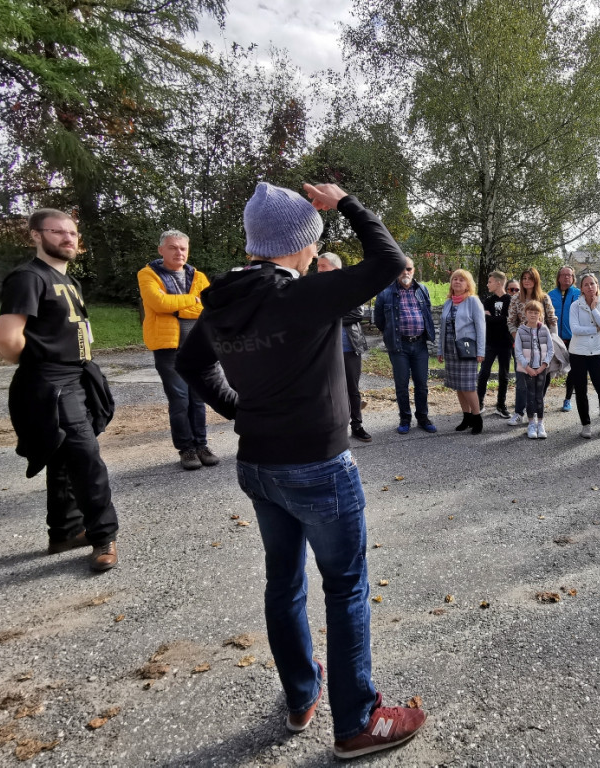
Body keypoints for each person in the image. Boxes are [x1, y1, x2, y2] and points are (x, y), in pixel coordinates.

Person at [175, 181, 426, 758]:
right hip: (317, 465)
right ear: (302, 244)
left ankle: (300, 696)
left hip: (259, 464)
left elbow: (192, 364)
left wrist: (243, 411)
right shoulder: (301, 295)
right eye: (313, 243)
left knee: (283, 583)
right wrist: (346, 203)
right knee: (345, 587)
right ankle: (358, 722)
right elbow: (390, 260)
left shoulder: (225, 300)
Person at [0, 209, 120, 571]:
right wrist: (39, 364)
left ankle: (64, 531)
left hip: (77, 376)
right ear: (35, 235)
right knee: (86, 457)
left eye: (72, 233)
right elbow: (6, 339)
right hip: (52, 382)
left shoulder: (67, 280)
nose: (68, 239)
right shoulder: (28, 277)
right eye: (57, 232)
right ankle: (102, 536)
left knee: (63, 454)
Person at [137, 229, 217, 470]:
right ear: (161, 250)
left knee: (198, 398)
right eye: (173, 247)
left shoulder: (198, 276)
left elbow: (207, 306)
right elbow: (158, 303)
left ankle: (201, 445)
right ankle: (187, 449)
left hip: (196, 345)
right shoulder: (148, 274)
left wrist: (175, 305)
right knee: (180, 399)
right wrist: (191, 300)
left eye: (183, 248)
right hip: (168, 348)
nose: (179, 252)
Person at [373, 256, 437, 434]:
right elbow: (380, 321)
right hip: (399, 346)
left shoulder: (422, 289)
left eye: (408, 269)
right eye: (401, 269)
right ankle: (405, 419)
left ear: (413, 270)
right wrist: (392, 334)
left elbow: (428, 314)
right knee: (402, 385)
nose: (405, 272)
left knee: (422, 385)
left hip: (420, 345)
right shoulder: (385, 293)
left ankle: (423, 418)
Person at [317, 253, 372, 443]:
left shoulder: (350, 287)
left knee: (352, 389)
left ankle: (357, 425)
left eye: (323, 266)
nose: (319, 269)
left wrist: (328, 314)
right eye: (318, 266)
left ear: (336, 269)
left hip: (349, 346)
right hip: (325, 349)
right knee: (328, 390)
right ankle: (332, 428)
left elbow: (357, 313)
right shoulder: (316, 288)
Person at [568, 273, 600, 440]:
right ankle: (586, 425)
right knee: (581, 390)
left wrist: (593, 309)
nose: (589, 287)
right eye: (586, 284)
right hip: (578, 353)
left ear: (597, 286)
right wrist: (594, 329)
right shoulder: (575, 306)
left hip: (596, 353)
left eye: (592, 284)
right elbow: (575, 329)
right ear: (581, 289)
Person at [506, 267, 556, 426]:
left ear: (536, 280)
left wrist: (552, 341)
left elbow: (551, 320)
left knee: (540, 380)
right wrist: (519, 338)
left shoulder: (544, 298)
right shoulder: (515, 299)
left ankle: (535, 412)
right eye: (524, 278)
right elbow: (511, 321)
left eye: (530, 278)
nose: (527, 281)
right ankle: (519, 412)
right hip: (522, 346)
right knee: (522, 380)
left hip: (541, 346)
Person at [438, 269, 486, 433]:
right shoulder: (448, 302)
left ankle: (477, 417)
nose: (457, 282)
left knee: (468, 386)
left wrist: (481, 351)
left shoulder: (473, 301)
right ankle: (466, 417)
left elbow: (481, 328)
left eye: (461, 280)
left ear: (468, 284)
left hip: (467, 349)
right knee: (458, 386)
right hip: (451, 349)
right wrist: (440, 350)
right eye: (455, 279)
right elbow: (443, 329)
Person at [514, 300, 554, 438]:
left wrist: (544, 364)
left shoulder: (544, 329)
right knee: (530, 395)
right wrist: (527, 367)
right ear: (525, 313)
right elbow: (518, 351)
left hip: (541, 368)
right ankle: (531, 423)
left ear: (540, 314)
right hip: (528, 369)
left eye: (536, 312)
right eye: (530, 312)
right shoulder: (521, 330)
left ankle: (541, 423)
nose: (533, 315)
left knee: (539, 396)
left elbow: (550, 349)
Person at [477, 270, 513, 419]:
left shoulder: (510, 300)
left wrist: (493, 319)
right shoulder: (487, 301)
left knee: (504, 375)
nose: (487, 284)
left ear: (499, 283)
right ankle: (479, 402)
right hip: (490, 343)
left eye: (490, 281)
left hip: (505, 343)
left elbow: (509, 320)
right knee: (484, 373)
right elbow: (484, 320)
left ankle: (501, 405)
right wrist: (499, 320)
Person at [549, 266, 581, 412]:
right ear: (559, 277)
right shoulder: (550, 295)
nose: (567, 277)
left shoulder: (579, 294)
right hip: (555, 339)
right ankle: (539, 400)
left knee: (573, 371)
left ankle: (567, 399)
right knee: (548, 369)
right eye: (564, 275)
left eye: (570, 275)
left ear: (573, 278)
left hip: (573, 339)